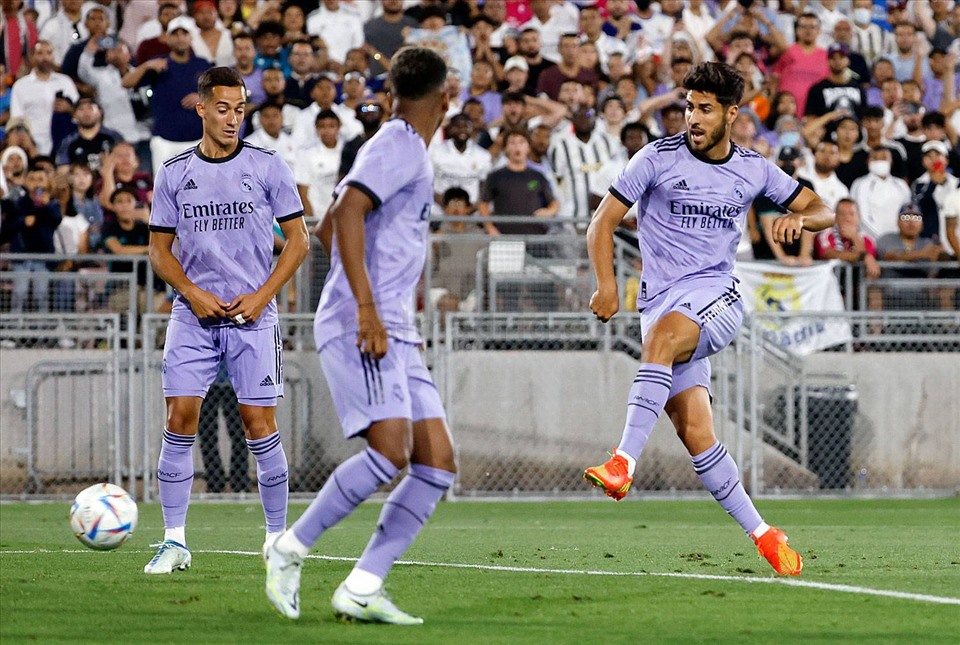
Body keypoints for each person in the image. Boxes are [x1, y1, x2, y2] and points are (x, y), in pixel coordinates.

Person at [582, 62, 834, 577]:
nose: (693, 118)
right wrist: (607, 284)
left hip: (717, 297)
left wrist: (800, 218)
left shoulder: (754, 168)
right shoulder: (655, 158)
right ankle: (766, 537)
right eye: (689, 107)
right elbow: (601, 222)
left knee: (664, 341)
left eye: (704, 109)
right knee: (695, 430)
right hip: (660, 304)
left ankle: (622, 463)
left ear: (731, 114)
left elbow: (823, 209)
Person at [264, 46, 456, 626]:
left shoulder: (403, 145)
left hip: (394, 323)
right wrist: (367, 308)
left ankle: (363, 586)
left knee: (436, 463)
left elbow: (335, 221)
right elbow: (342, 215)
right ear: (445, 99)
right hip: (365, 322)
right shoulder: (398, 143)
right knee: (389, 453)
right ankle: (288, 548)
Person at [144, 66, 310, 574]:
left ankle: (277, 540)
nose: (233, 118)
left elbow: (300, 242)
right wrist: (190, 292)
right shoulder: (174, 172)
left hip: (253, 318)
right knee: (179, 420)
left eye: (240, 109)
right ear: (200, 108)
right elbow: (158, 251)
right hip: (192, 317)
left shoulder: (268, 166)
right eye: (223, 108)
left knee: (260, 426)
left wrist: (262, 297)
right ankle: (174, 541)